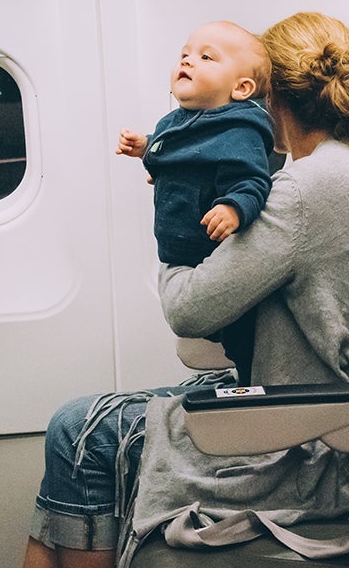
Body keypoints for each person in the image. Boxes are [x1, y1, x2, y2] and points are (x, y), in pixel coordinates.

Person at [13, 12, 349, 568]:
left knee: (80, 431)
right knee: (86, 426)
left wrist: (176, 211)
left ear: (268, 95)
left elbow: (187, 309)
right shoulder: (348, 172)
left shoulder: (304, 191)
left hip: (319, 447)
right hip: (326, 418)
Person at [116, 20, 273, 380]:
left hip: (213, 255)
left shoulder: (239, 131)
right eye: (185, 54)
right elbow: (172, 152)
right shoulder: (177, 120)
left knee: (243, 344)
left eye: (206, 57)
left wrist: (233, 208)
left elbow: (252, 181)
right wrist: (145, 147)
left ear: (241, 88)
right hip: (181, 255)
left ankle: (250, 386)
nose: (187, 61)